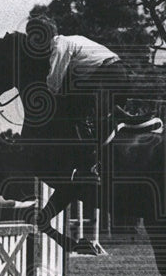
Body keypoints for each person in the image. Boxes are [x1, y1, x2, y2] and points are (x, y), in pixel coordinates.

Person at [25, 14, 136, 182]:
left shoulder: (59, 44)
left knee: (76, 112)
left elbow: (55, 82)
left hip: (108, 75)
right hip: (121, 74)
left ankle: (91, 164)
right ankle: (123, 118)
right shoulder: (75, 39)